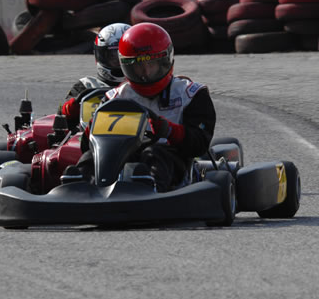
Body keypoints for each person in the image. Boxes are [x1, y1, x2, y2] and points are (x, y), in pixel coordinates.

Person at [71, 22, 217, 191]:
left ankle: (151, 188)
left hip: (172, 158)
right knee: (91, 157)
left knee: (155, 154)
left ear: (165, 60)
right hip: (123, 156)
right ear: (125, 65)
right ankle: (77, 187)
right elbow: (87, 146)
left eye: (151, 64)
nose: (145, 73)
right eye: (137, 65)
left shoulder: (190, 94)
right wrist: (93, 130)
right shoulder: (115, 97)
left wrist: (169, 131)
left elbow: (200, 143)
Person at [60, 23, 130, 128]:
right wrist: (76, 103)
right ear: (100, 56)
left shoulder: (141, 88)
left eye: (123, 55)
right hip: (91, 138)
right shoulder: (86, 85)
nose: (119, 60)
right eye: (113, 56)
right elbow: (62, 117)